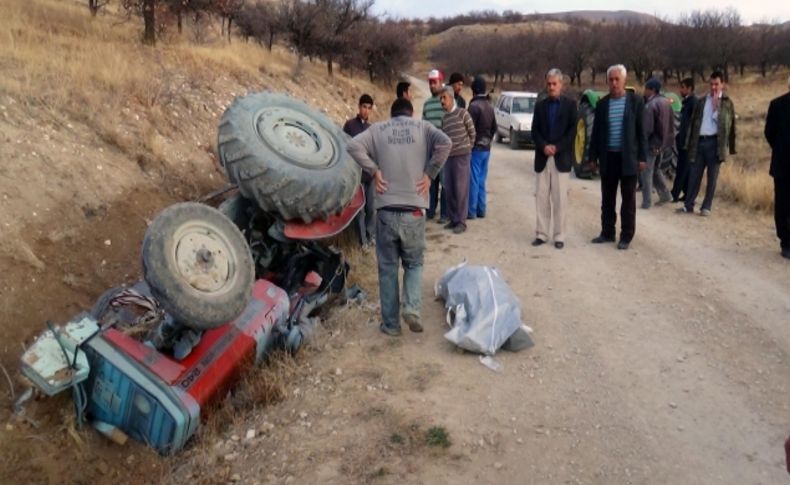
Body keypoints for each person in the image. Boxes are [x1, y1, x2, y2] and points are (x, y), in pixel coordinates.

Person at [347, 98, 452, 336]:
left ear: (392, 114)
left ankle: (391, 325)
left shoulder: (377, 129)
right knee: (414, 263)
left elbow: (352, 146)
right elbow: (446, 143)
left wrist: (373, 171)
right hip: (414, 211)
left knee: (387, 269)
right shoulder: (423, 128)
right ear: (411, 112)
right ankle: (412, 308)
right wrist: (430, 174)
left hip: (385, 211)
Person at [588, 64, 647, 250]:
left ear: (624, 81)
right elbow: (596, 133)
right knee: (607, 198)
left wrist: (642, 157)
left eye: (617, 80)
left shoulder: (636, 102)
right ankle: (607, 232)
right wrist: (592, 157)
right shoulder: (602, 104)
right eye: (611, 80)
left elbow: (641, 132)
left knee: (628, 200)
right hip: (608, 157)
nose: (614, 83)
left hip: (628, 158)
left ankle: (626, 235)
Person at [530, 68, 578, 249]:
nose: (551, 87)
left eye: (554, 84)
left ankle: (559, 235)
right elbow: (534, 131)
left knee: (560, 200)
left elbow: (572, 131)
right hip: (542, 158)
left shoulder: (570, 105)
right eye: (549, 84)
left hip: (561, 158)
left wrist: (557, 147)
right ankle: (541, 234)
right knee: (541, 198)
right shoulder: (540, 106)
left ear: (561, 84)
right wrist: (544, 146)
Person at [679, 70, 736, 216]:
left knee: (712, 177)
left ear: (722, 84)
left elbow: (727, 125)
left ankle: (706, 206)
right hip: (700, 142)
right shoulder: (702, 101)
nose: (714, 88)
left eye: (716, 84)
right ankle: (688, 204)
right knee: (694, 174)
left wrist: (717, 108)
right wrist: (689, 142)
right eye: (711, 84)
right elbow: (693, 123)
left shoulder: (727, 103)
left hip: (715, 144)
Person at [439, 86, 475, 234]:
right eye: (441, 98)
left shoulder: (462, 114)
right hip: (449, 157)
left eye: (444, 98)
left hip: (462, 156)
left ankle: (461, 222)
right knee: (449, 188)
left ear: (451, 98)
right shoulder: (445, 118)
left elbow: (472, 132)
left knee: (461, 189)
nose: (442, 101)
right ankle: (454, 219)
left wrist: (467, 148)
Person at [343, 94, 376, 248]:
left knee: (371, 209)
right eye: (364, 107)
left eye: (369, 108)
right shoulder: (350, 125)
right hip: (357, 176)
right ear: (359, 107)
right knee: (359, 211)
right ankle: (362, 242)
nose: (366, 111)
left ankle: (371, 236)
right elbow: (345, 148)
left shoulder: (371, 129)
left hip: (370, 176)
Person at [764, 76, 790, 259]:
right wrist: (781, 147)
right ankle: (785, 242)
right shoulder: (777, 105)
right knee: (782, 205)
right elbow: (769, 132)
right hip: (782, 164)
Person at [640, 78, 674, 209]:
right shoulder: (666, 103)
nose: (644, 91)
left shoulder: (650, 105)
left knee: (646, 172)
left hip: (652, 144)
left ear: (652, 90)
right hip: (664, 143)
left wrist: (641, 142)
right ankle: (665, 195)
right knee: (656, 170)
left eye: (646, 89)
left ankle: (646, 202)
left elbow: (647, 129)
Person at [467, 75, 497, 220]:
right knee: (481, 179)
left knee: (473, 179)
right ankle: (481, 209)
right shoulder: (490, 107)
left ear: (474, 89)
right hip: (487, 148)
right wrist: (488, 141)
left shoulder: (473, 107)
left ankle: (471, 211)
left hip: (476, 148)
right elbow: (494, 128)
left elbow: (468, 128)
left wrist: (470, 144)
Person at [423, 69, 449, 223]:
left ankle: (445, 214)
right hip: (430, 151)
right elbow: (423, 127)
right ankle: (430, 210)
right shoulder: (426, 104)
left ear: (441, 82)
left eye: (435, 82)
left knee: (445, 183)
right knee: (431, 181)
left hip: (444, 150)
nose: (432, 85)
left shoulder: (446, 101)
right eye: (430, 83)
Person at [671, 78, 697, 202]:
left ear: (689, 88)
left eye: (683, 87)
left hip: (688, 143)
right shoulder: (686, 102)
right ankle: (687, 194)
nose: (680, 90)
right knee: (684, 169)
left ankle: (674, 194)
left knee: (682, 169)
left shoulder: (693, 103)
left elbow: (693, 125)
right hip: (682, 141)